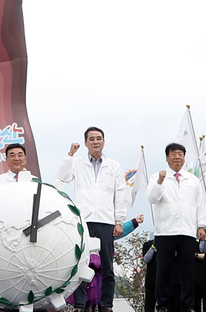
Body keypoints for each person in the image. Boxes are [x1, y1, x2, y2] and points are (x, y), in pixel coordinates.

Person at [58, 127, 126, 312]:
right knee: (81, 263)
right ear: (86, 142)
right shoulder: (78, 163)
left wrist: (119, 220)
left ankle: (107, 304)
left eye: (99, 138)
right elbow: (62, 177)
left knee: (107, 266)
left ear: (104, 141)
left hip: (105, 221)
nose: (95, 141)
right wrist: (70, 154)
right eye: (91, 139)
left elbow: (119, 193)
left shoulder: (114, 166)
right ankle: (80, 304)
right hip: (83, 221)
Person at [146, 143, 206, 312]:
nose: (177, 157)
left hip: (187, 232)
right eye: (173, 154)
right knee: (163, 271)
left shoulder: (192, 179)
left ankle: (187, 306)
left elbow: (200, 205)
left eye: (180, 154)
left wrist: (202, 225)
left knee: (188, 272)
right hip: (165, 232)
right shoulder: (157, 177)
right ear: (167, 158)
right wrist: (160, 181)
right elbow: (152, 198)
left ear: (184, 157)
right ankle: (163, 306)